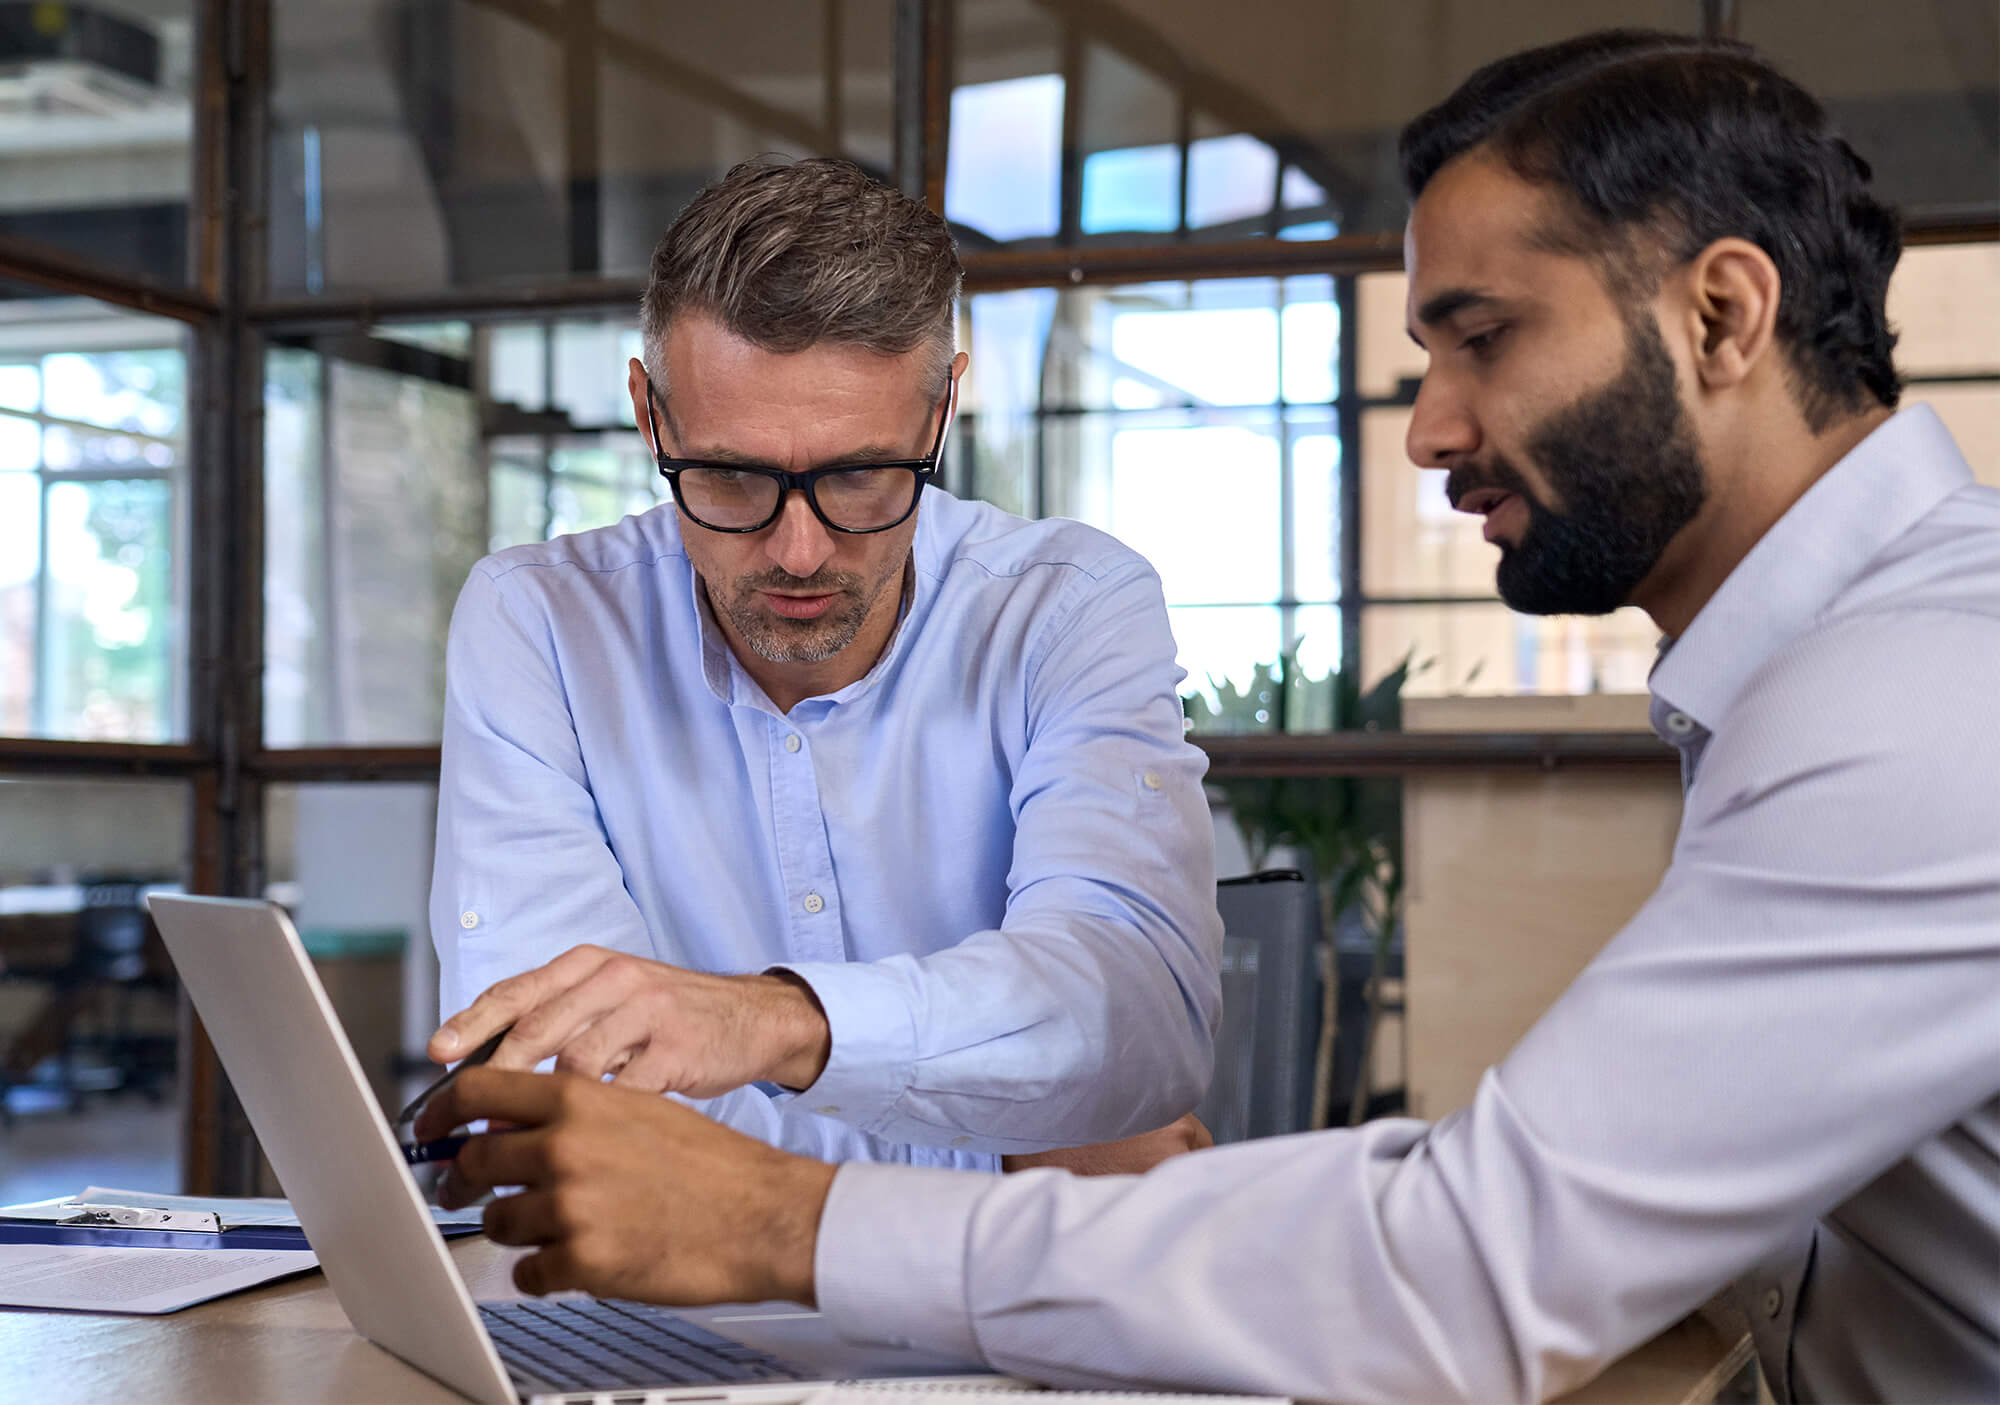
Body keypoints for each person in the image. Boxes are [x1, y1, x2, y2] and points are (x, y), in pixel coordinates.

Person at [417, 30, 2000, 1404]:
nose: (1429, 430)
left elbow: (1470, 1256)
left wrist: (780, 1212)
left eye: (1486, 338)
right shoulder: (1844, 674)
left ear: (1723, 319)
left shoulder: (1923, 702)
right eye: (1426, 355)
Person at [426, 157, 1222, 1173]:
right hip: (686, 1308)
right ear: (648, 415)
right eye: (728, 476)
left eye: (857, 475)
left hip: (981, 1322)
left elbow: (1129, 1016)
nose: (797, 550)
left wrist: (776, 1024)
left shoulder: (1067, 608)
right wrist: (997, 1157)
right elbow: (546, 1099)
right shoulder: (537, 620)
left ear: (938, 414)